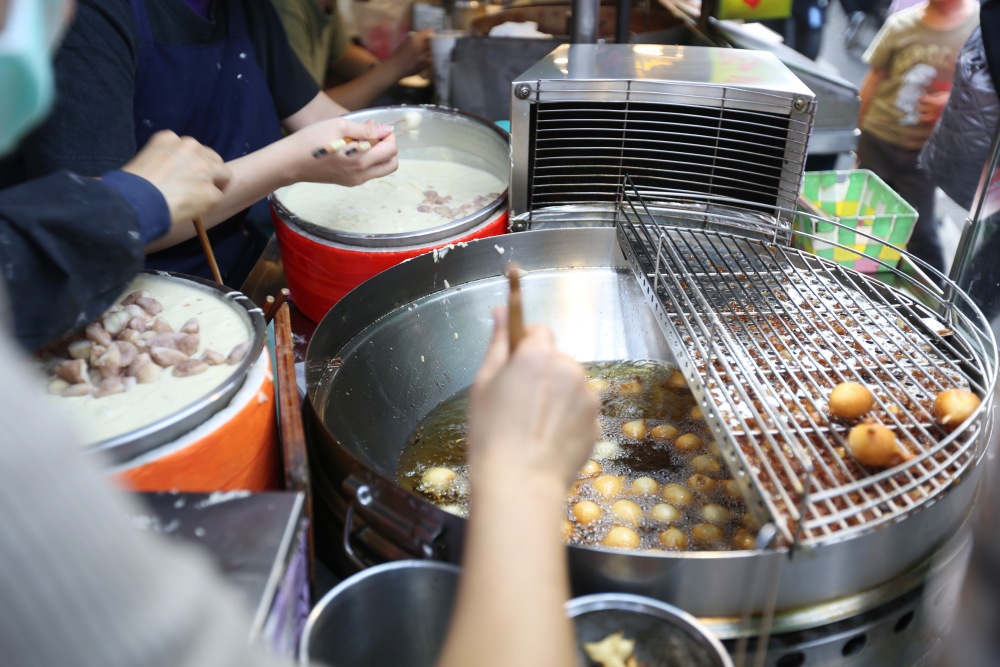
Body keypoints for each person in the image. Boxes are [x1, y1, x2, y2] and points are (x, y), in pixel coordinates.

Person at [0, 0, 400, 288]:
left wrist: (386, 140)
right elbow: (97, 224)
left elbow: (315, 112)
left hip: (247, 259)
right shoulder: (89, 16)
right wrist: (290, 163)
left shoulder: (245, 9)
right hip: (144, 293)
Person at [855, 0, 979, 277]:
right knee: (868, 219)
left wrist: (952, 100)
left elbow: (985, 88)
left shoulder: (979, 27)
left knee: (919, 228)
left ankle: (933, 298)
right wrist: (857, 132)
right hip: (879, 137)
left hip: (925, 151)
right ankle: (864, 281)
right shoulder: (902, 24)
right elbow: (875, 79)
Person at [271, 0, 433, 111]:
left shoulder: (325, 4)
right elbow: (304, 111)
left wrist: (383, 67)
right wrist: (396, 67)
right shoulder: (286, 9)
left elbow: (340, 54)